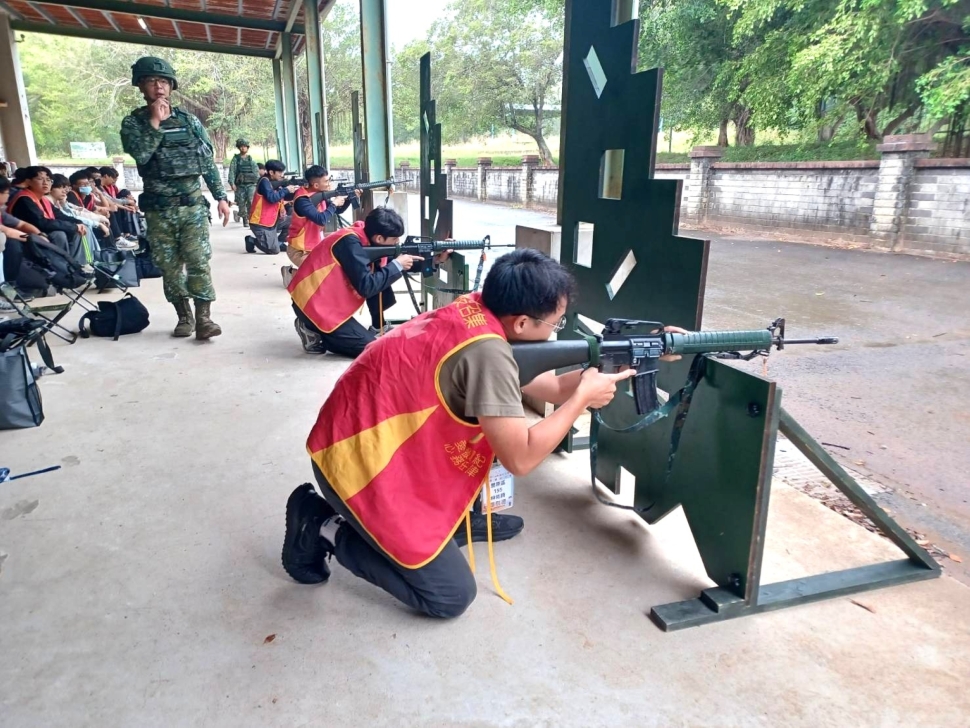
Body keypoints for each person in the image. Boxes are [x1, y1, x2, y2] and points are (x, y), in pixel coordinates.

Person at [280, 249, 685, 618]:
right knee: (449, 596)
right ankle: (320, 524)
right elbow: (521, 458)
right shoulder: (488, 353)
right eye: (556, 322)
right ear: (523, 323)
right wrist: (581, 400)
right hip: (357, 467)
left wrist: (637, 350)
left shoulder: (476, 309)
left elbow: (548, 387)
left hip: (367, 438)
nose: (559, 329)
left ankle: (455, 522)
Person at [120, 56, 230, 340]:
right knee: (169, 267)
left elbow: (206, 162)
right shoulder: (134, 123)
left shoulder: (189, 121)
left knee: (198, 261)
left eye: (165, 81)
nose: (159, 87)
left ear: (171, 86)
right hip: (159, 211)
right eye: (152, 81)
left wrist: (221, 196)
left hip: (192, 206)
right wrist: (156, 122)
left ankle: (204, 318)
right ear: (141, 86)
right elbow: (141, 154)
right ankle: (184, 316)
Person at [287, 206, 423, 358]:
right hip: (311, 304)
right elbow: (366, 286)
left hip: (322, 300)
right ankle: (311, 330)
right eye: (394, 240)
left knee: (386, 271)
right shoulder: (350, 243)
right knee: (371, 350)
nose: (397, 243)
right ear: (379, 238)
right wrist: (397, 265)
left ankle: (375, 326)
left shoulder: (364, 236)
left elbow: (393, 261)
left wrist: (435, 258)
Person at [279, 164, 356, 286]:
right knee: (321, 279)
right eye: (326, 181)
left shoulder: (320, 195)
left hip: (315, 246)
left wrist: (350, 198)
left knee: (333, 271)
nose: (329, 183)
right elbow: (321, 219)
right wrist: (334, 203)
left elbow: (337, 211)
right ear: (315, 185)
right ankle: (290, 273)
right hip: (299, 250)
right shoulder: (302, 200)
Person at [7, 166, 87, 265]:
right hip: (28, 236)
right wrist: (73, 226)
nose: (45, 183)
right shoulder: (24, 199)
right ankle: (61, 268)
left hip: (43, 231)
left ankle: (75, 265)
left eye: (48, 180)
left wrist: (78, 223)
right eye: (40, 179)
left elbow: (59, 215)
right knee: (59, 234)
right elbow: (41, 223)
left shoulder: (43, 199)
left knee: (79, 229)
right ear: (28, 181)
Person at [246, 159, 296, 255]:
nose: (282, 175)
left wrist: (296, 190)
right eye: (280, 172)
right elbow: (271, 198)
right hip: (260, 223)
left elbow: (284, 196)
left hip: (273, 221)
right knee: (274, 251)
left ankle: (279, 242)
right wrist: (286, 189)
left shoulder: (277, 182)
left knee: (294, 221)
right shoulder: (264, 181)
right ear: (271, 172)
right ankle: (251, 240)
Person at [228, 138, 260, 227]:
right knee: (241, 202)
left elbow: (256, 173)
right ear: (239, 148)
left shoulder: (251, 160)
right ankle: (244, 218)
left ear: (247, 148)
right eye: (241, 147)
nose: (243, 148)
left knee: (251, 201)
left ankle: (250, 218)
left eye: (245, 147)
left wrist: (258, 184)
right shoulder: (236, 159)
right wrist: (232, 183)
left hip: (251, 185)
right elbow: (232, 171)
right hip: (240, 185)